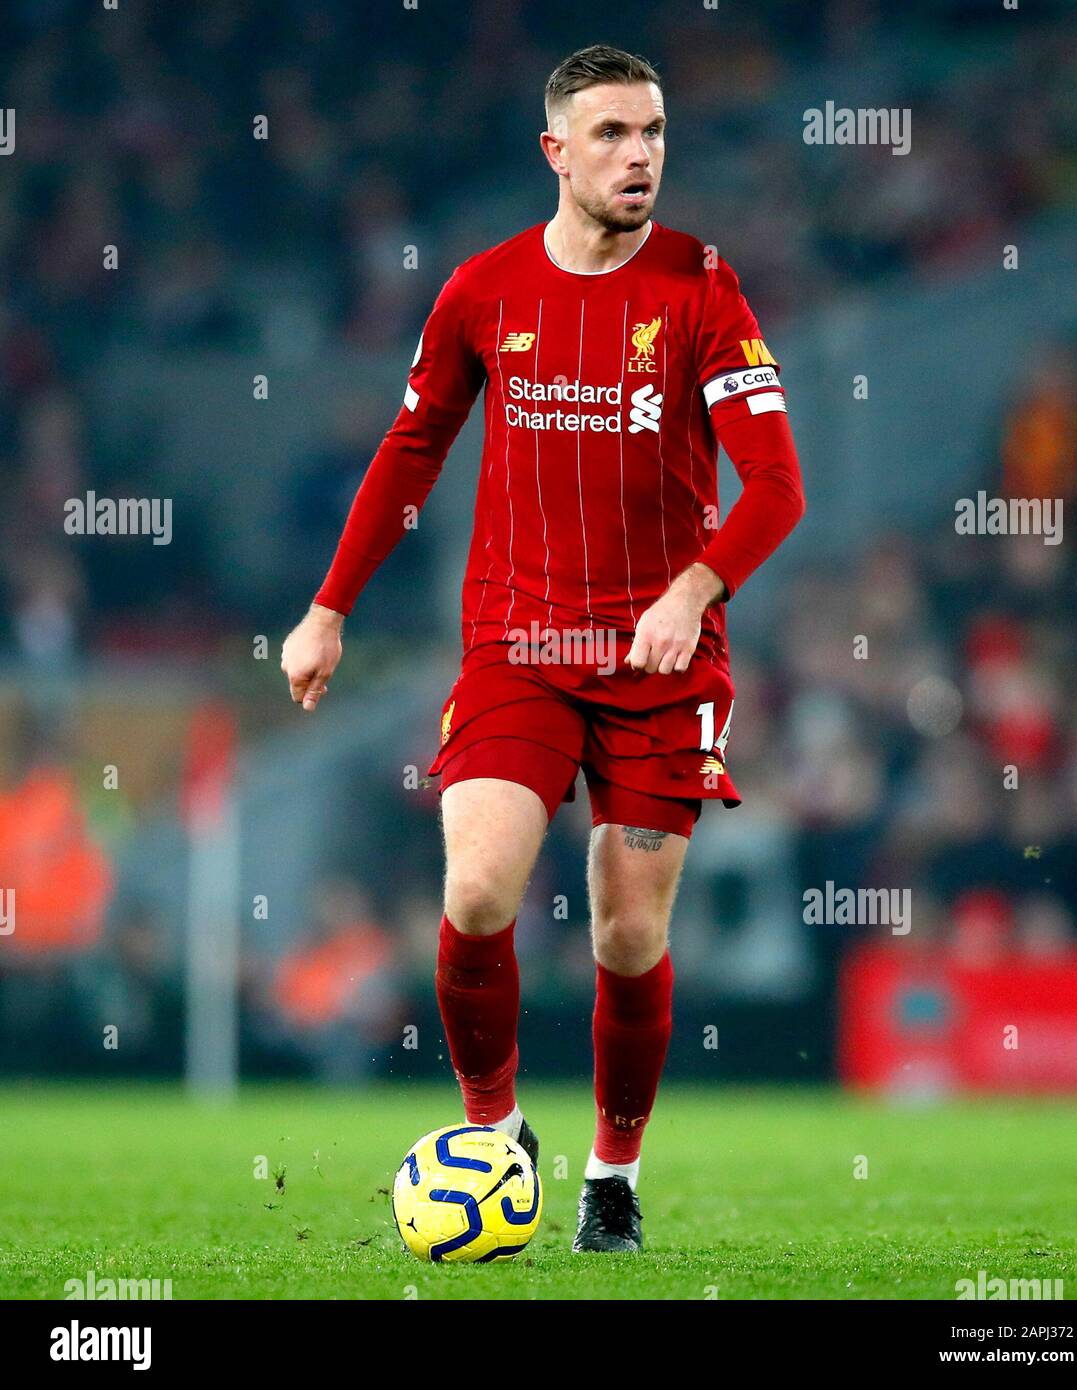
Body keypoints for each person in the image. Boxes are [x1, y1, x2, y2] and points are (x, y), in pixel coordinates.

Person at [281, 44, 805, 1252]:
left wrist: (695, 585)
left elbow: (775, 486)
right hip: (516, 643)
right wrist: (328, 607)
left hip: (660, 663)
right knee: (474, 890)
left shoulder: (702, 289)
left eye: (656, 132)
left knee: (626, 929)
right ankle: (493, 1132)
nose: (640, 156)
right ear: (555, 151)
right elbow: (410, 453)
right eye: (613, 134)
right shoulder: (482, 290)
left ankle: (610, 1173)